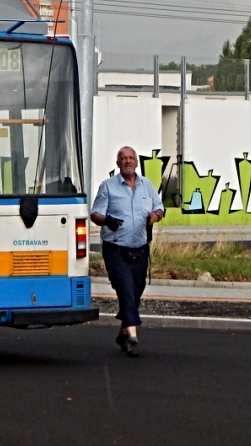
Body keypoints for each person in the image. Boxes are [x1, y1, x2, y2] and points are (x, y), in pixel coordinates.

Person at [90, 145, 164, 357]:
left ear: (136, 162)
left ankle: (123, 331)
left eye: (131, 158)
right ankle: (132, 337)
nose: (128, 161)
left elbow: (160, 208)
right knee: (126, 288)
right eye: (123, 158)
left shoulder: (147, 186)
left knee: (136, 291)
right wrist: (107, 220)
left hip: (140, 248)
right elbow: (95, 214)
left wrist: (155, 216)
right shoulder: (108, 187)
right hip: (116, 248)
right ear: (118, 163)